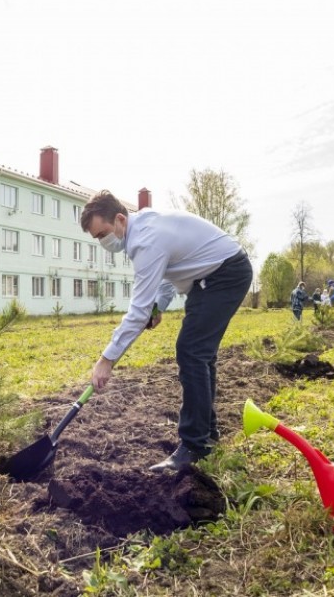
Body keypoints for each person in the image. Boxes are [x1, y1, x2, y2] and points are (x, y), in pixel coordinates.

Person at [80, 190, 253, 472]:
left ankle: (194, 445)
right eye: (96, 238)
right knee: (200, 354)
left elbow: (137, 312)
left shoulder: (145, 239)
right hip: (211, 277)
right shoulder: (144, 226)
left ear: (120, 219)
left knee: (192, 351)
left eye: (102, 234)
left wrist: (106, 360)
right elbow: (170, 270)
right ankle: (207, 436)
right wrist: (158, 306)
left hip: (224, 275)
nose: (103, 242)